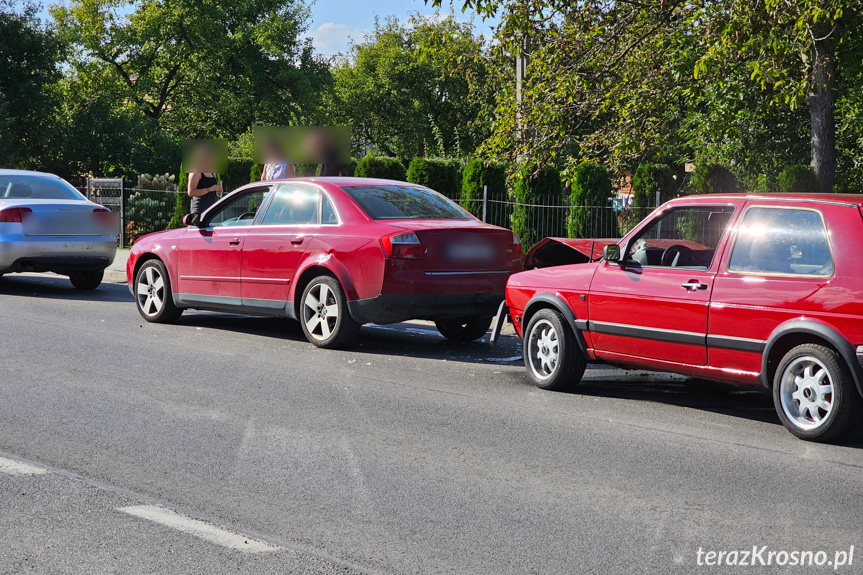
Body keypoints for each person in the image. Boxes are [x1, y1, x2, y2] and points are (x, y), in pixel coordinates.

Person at [187, 145, 223, 214]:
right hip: (199, 210)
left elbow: (213, 188)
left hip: (212, 209)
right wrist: (209, 189)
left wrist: (218, 189)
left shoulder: (212, 171)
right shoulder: (195, 172)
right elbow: (191, 192)